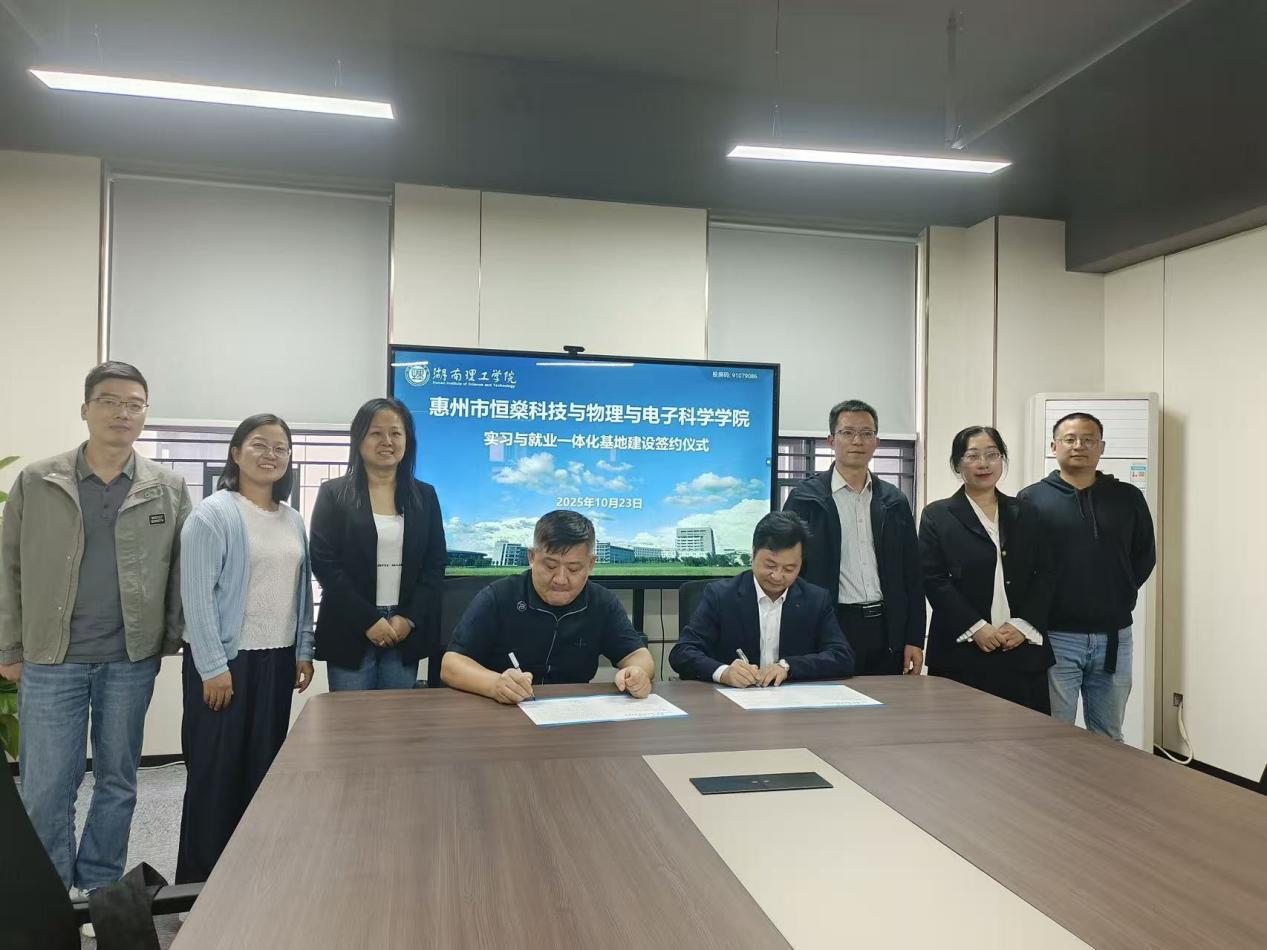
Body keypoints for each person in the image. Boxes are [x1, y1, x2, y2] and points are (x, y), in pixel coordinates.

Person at [0, 361, 190, 895]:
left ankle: (100, 891)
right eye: (109, 401)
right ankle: (53, 895)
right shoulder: (38, 481)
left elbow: (180, 571)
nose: (122, 413)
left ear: (145, 415)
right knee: (46, 787)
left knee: (118, 782)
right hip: (50, 658)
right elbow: (8, 568)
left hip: (129, 660)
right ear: (86, 409)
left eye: (134, 404)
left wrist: (169, 638)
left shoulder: (167, 488)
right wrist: (9, 646)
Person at [176, 413, 315, 882]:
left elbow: (300, 592)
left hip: (277, 660)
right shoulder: (212, 514)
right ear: (235, 453)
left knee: (263, 773)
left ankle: (252, 879)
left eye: (281, 447)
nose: (271, 454)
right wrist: (212, 666)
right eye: (259, 444)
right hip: (225, 664)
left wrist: (303, 649)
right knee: (214, 777)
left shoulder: (292, 519)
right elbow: (196, 597)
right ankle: (198, 887)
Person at [1019, 412, 1155, 741]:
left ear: (1101, 447)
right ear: (1054, 446)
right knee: (1052, 735)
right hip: (1055, 636)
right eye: (1070, 439)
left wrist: (1117, 592)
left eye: (1088, 439)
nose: (1079, 445)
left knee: (1109, 735)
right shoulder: (1031, 499)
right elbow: (1022, 567)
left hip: (1114, 636)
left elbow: (1144, 555)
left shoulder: (1127, 497)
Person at [441, 510, 654, 704]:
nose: (560, 579)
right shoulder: (499, 596)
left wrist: (637, 673)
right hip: (500, 712)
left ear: (590, 564)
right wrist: (495, 684)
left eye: (573, 569)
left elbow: (638, 656)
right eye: (550, 566)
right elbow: (451, 665)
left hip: (571, 712)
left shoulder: (602, 603)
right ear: (532, 557)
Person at [310, 398, 446, 691]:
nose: (387, 441)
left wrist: (408, 618)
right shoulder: (334, 493)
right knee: (352, 716)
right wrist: (368, 620)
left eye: (396, 433)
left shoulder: (425, 496)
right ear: (359, 439)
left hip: (402, 629)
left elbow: (435, 565)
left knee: (397, 716)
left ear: (407, 441)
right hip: (349, 626)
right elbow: (324, 562)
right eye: (376, 433)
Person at [783, 399, 924, 675]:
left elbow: (912, 574)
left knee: (886, 701)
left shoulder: (894, 501)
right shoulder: (805, 499)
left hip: (886, 627)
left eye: (866, 433)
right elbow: (791, 570)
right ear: (831, 440)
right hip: (829, 623)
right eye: (847, 433)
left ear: (876, 442)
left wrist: (914, 637)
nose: (857, 441)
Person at [919, 427, 1055, 712]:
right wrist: (976, 627)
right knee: (962, 732)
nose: (984, 464)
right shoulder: (937, 515)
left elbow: (1046, 573)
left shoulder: (1027, 512)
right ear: (957, 463)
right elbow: (933, 578)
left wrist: (1023, 625)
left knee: (1027, 734)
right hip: (961, 651)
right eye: (973, 456)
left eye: (992, 455)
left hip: (1022, 649)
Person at [670, 511, 854, 685]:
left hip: (790, 700)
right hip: (732, 700)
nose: (777, 576)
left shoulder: (815, 599)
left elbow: (842, 657)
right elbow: (682, 652)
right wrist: (723, 672)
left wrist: (788, 667)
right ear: (753, 554)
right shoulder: (721, 596)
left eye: (789, 569)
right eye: (770, 565)